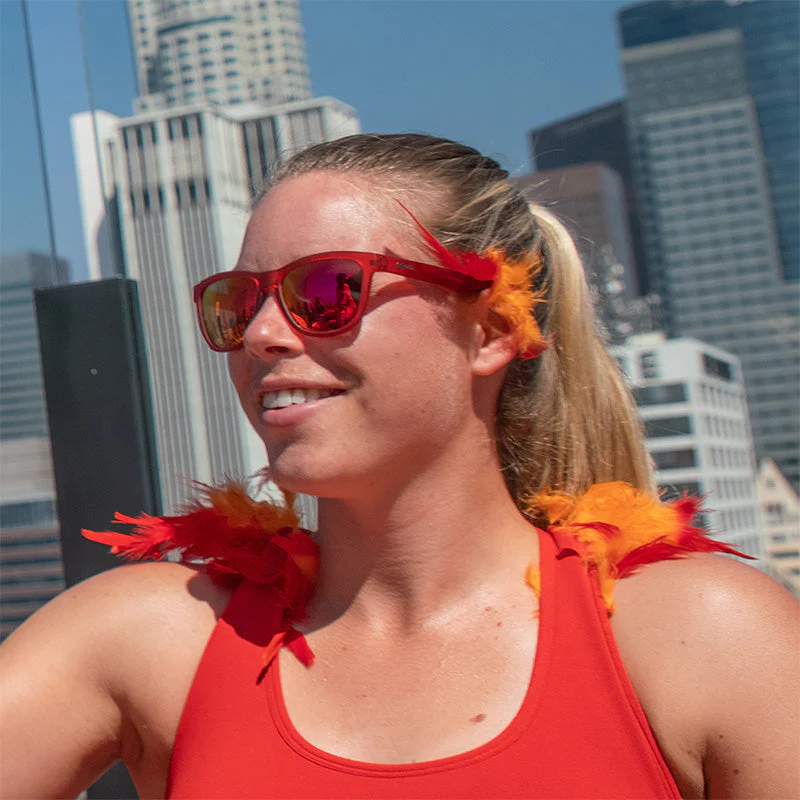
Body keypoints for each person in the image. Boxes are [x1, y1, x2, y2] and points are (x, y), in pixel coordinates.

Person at [1, 133, 797, 799]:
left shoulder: (702, 637)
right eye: (239, 303)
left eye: (327, 290)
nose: (262, 335)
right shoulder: (153, 636)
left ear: (491, 330)